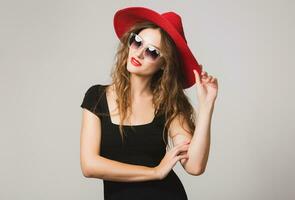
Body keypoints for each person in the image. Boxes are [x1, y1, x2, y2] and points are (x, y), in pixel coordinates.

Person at [80, 6, 218, 200]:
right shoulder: (97, 97)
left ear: (164, 64)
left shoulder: (168, 106)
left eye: (152, 52)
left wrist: (207, 106)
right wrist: (154, 172)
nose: (139, 53)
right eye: (137, 42)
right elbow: (89, 165)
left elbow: (194, 166)